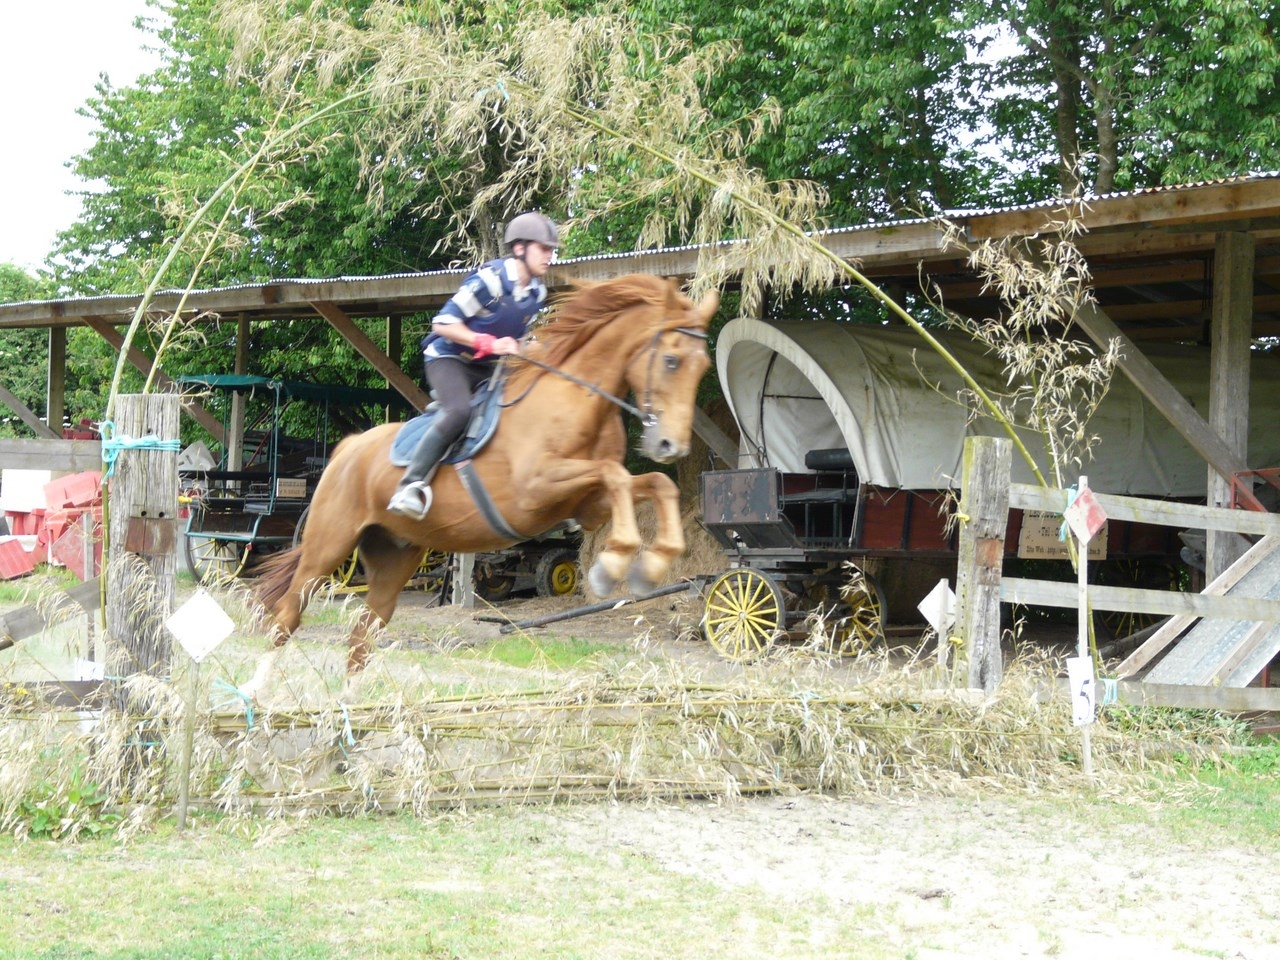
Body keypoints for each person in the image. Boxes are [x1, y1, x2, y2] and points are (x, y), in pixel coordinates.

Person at [387, 211, 560, 519]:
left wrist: (541, 350)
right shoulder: (490, 280)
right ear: (520, 248)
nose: (550, 255)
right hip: (449, 359)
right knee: (460, 411)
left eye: (552, 250)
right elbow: (443, 323)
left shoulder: (537, 293)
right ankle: (410, 485)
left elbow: (519, 343)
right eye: (544, 248)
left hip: (491, 367)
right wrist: (489, 344)